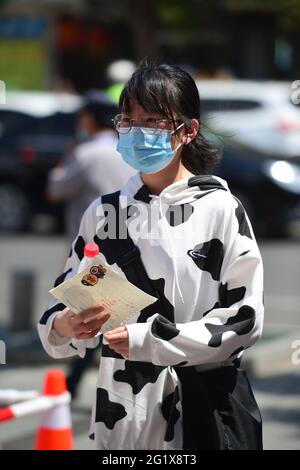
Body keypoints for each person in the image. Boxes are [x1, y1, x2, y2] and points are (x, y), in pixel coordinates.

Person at [38, 59, 264, 450]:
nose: (137, 130)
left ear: (188, 130)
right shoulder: (105, 212)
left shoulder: (219, 208)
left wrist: (149, 340)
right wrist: (64, 327)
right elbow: (68, 296)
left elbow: (244, 321)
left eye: (154, 120)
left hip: (203, 410)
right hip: (123, 416)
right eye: (128, 119)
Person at [47, 91, 136, 241]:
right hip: (127, 242)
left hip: (88, 247)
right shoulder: (130, 152)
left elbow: (55, 192)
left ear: (89, 119)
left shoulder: (84, 153)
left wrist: (62, 164)